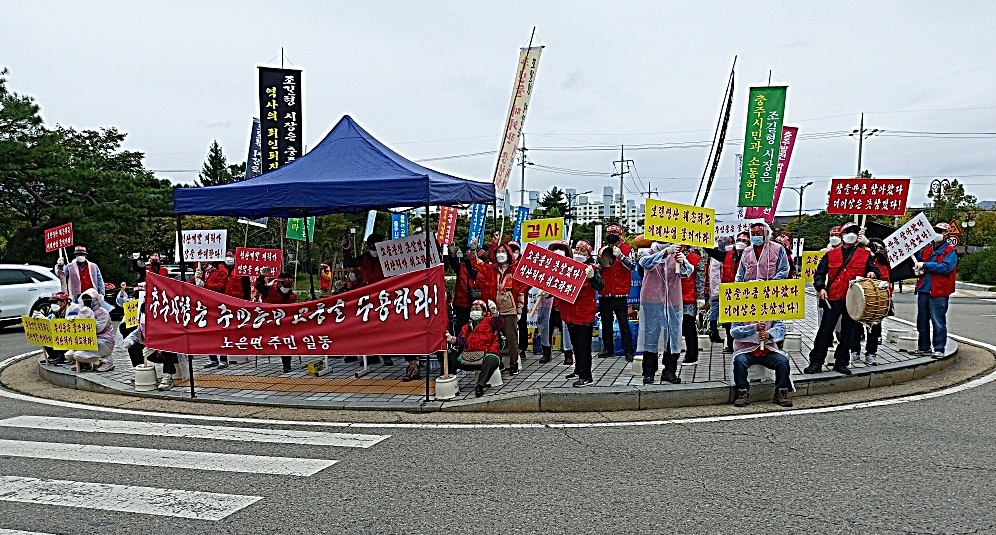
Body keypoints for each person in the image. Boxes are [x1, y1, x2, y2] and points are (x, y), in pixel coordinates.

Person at [804, 222, 880, 375]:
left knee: (849, 333)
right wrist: (821, 288)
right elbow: (819, 274)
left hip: (852, 300)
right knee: (824, 331)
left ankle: (842, 362)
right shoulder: (830, 254)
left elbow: (874, 270)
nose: (851, 234)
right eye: (848, 232)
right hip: (832, 297)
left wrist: (872, 273)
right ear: (842, 235)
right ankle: (816, 362)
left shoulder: (865, 254)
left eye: (854, 232)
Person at [639, 242, 694, 385]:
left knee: (672, 335)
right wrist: (665, 252)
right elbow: (645, 263)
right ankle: (649, 372)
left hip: (672, 301)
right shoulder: (649, 251)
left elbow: (687, 272)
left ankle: (669, 371)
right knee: (651, 335)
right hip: (652, 300)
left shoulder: (676, 252)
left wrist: (682, 262)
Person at [559, 243, 604, 387]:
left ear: (589, 255)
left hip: (583, 313)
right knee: (575, 344)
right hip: (569, 312)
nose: (578, 252)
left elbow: (600, 285)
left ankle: (586, 376)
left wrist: (592, 277)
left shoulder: (592, 269)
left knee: (583, 346)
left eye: (583, 250)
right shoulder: (567, 267)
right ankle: (578, 370)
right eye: (577, 249)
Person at [914, 222, 958, 358]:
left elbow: (945, 267)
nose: (937, 232)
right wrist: (918, 268)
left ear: (947, 234)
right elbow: (918, 262)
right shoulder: (926, 249)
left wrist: (925, 265)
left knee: (938, 322)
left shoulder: (950, 251)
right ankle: (924, 347)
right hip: (923, 290)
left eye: (941, 231)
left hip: (939, 292)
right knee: (921, 321)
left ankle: (939, 348)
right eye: (935, 230)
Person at [446, 300, 504, 397]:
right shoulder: (466, 326)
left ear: (484, 312)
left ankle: (480, 386)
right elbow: (460, 340)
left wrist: (495, 312)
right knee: (450, 355)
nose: (474, 311)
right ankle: (451, 382)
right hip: (468, 356)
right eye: (472, 309)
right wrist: (451, 339)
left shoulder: (490, 321)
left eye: (477, 309)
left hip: (487, 354)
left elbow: (499, 324)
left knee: (492, 360)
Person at [596, 224, 636, 361]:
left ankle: (628, 350)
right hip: (605, 292)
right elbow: (597, 269)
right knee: (606, 322)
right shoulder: (602, 249)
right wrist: (599, 263)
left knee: (623, 322)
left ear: (620, 234)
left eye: (615, 232)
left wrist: (621, 256)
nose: (611, 234)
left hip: (620, 293)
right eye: (609, 232)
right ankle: (608, 348)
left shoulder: (628, 249)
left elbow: (632, 266)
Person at [731, 320, 793, 408]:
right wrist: (753, 328)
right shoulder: (740, 310)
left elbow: (781, 328)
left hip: (768, 350)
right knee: (739, 361)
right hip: (745, 350)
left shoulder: (771, 309)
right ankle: (742, 392)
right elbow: (734, 332)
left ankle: (781, 392)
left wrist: (769, 334)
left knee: (783, 361)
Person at [256, 272, 300, 373]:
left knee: (286, 341)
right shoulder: (269, 290)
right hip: (268, 325)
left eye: (289, 285)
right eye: (284, 284)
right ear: (279, 283)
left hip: (285, 326)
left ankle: (286, 365)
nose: (286, 287)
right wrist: (262, 275)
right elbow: (258, 285)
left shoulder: (292, 296)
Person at [124, 312, 179, 391]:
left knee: (168, 349)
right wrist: (130, 340)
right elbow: (137, 333)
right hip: (151, 352)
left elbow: (170, 338)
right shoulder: (143, 321)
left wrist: (155, 347)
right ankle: (142, 372)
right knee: (134, 347)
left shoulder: (165, 319)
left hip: (172, 353)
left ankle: (168, 376)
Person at [65, 288, 116, 372]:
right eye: (84, 299)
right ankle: (85, 364)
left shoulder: (103, 312)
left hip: (103, 341)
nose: (86, 301)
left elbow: (96, 329)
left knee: (78, 355)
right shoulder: (82, 311)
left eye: (89, 299)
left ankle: (105, 362)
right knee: (69, 354)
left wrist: (89, 317)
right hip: (88, 341)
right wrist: (73, 320)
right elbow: (79, 329)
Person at [859, 238, 892, 366]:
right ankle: (855, 351)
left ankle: (871, 353)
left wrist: (869, 244)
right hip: (861, 296)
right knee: (856, 325)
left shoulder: (883, 259)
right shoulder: (862, 256)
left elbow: (881, 253)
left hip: (878, 298)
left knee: (874, 326)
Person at [679, 246, 705, 365]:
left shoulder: (695, 258)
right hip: (673, 297)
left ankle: (692, 355)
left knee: (688, 325)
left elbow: (700, 279)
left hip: (689, 296)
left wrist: (701, 297)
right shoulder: (669, 256)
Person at [36, 292, 70, 365]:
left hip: (69, 337)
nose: (53, 305)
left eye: (56, 302)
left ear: (64, 302)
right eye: (52, 302)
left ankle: (63, 358)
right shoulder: (55, 312)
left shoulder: (70, 310)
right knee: (44, 335)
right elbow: (49, 320)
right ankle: (54, 356)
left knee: (60, 335)